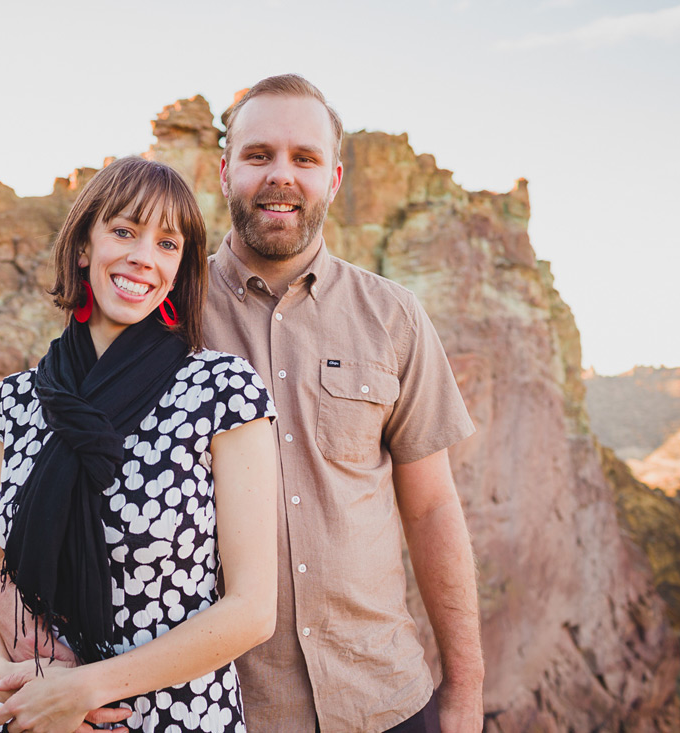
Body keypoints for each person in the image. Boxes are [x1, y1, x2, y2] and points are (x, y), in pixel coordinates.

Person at [205, 74, 484, 732]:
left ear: (332, 178)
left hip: (384, 700)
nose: (281, 175)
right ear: (224, 172)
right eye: (258, 155)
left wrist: (466, 690)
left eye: (303, 159)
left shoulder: (394, 317)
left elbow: (434, 505)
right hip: (225, 710)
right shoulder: (168, 315)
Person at [0, 156, 279, 733]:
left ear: (180, 266)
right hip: (33, 718)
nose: (144, 257)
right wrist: (22, 693)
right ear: (84, 246)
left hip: (175, 717)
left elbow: (252, 610)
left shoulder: (221, 391)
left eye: (168, 243)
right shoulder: (13, 403)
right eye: (123, 231)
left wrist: (82, 691)